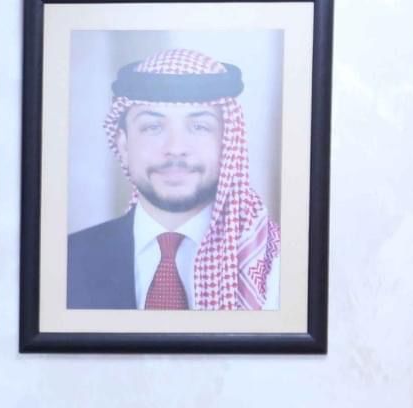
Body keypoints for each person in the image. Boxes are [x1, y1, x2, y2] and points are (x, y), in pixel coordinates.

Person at [67, 49, 279, 312]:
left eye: (199, 127)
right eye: (152, 128)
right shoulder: (65, 260)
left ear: (228, 143)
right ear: (123, 145)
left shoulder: (276, 264)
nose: (176, 148)